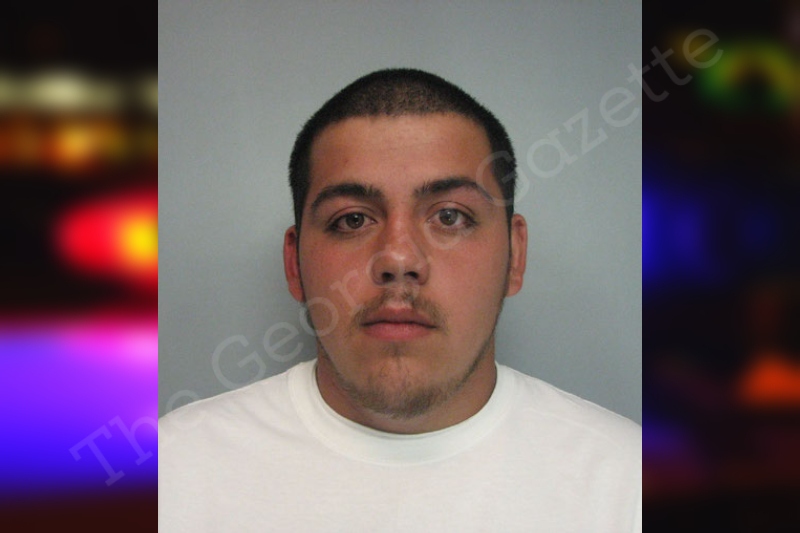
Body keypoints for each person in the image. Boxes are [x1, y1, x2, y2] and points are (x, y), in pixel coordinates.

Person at [159, 68, 641, 532]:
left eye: (450, 217)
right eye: (352, 220)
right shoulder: (171, 475)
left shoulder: (629, 487)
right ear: (294, 263)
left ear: (515, 255)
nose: (398, 258)